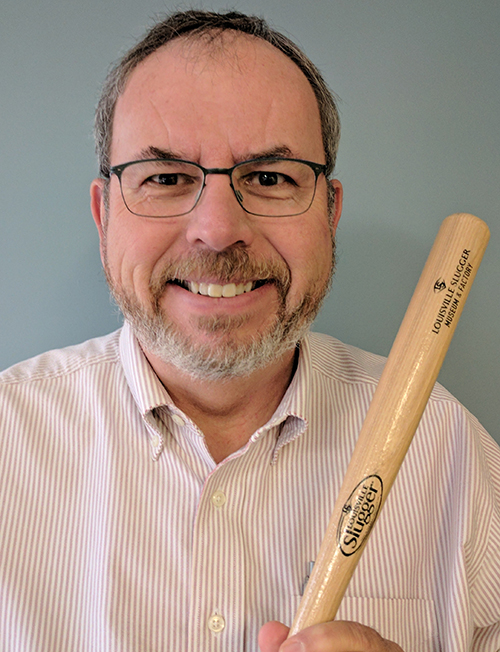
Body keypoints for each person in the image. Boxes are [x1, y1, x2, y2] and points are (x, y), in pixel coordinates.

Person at [0, 9, 498, 652]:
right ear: (103, 215)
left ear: (330, 211)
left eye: (268, 178)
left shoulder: (447, 446)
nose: (217, 228)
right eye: (166, 178)